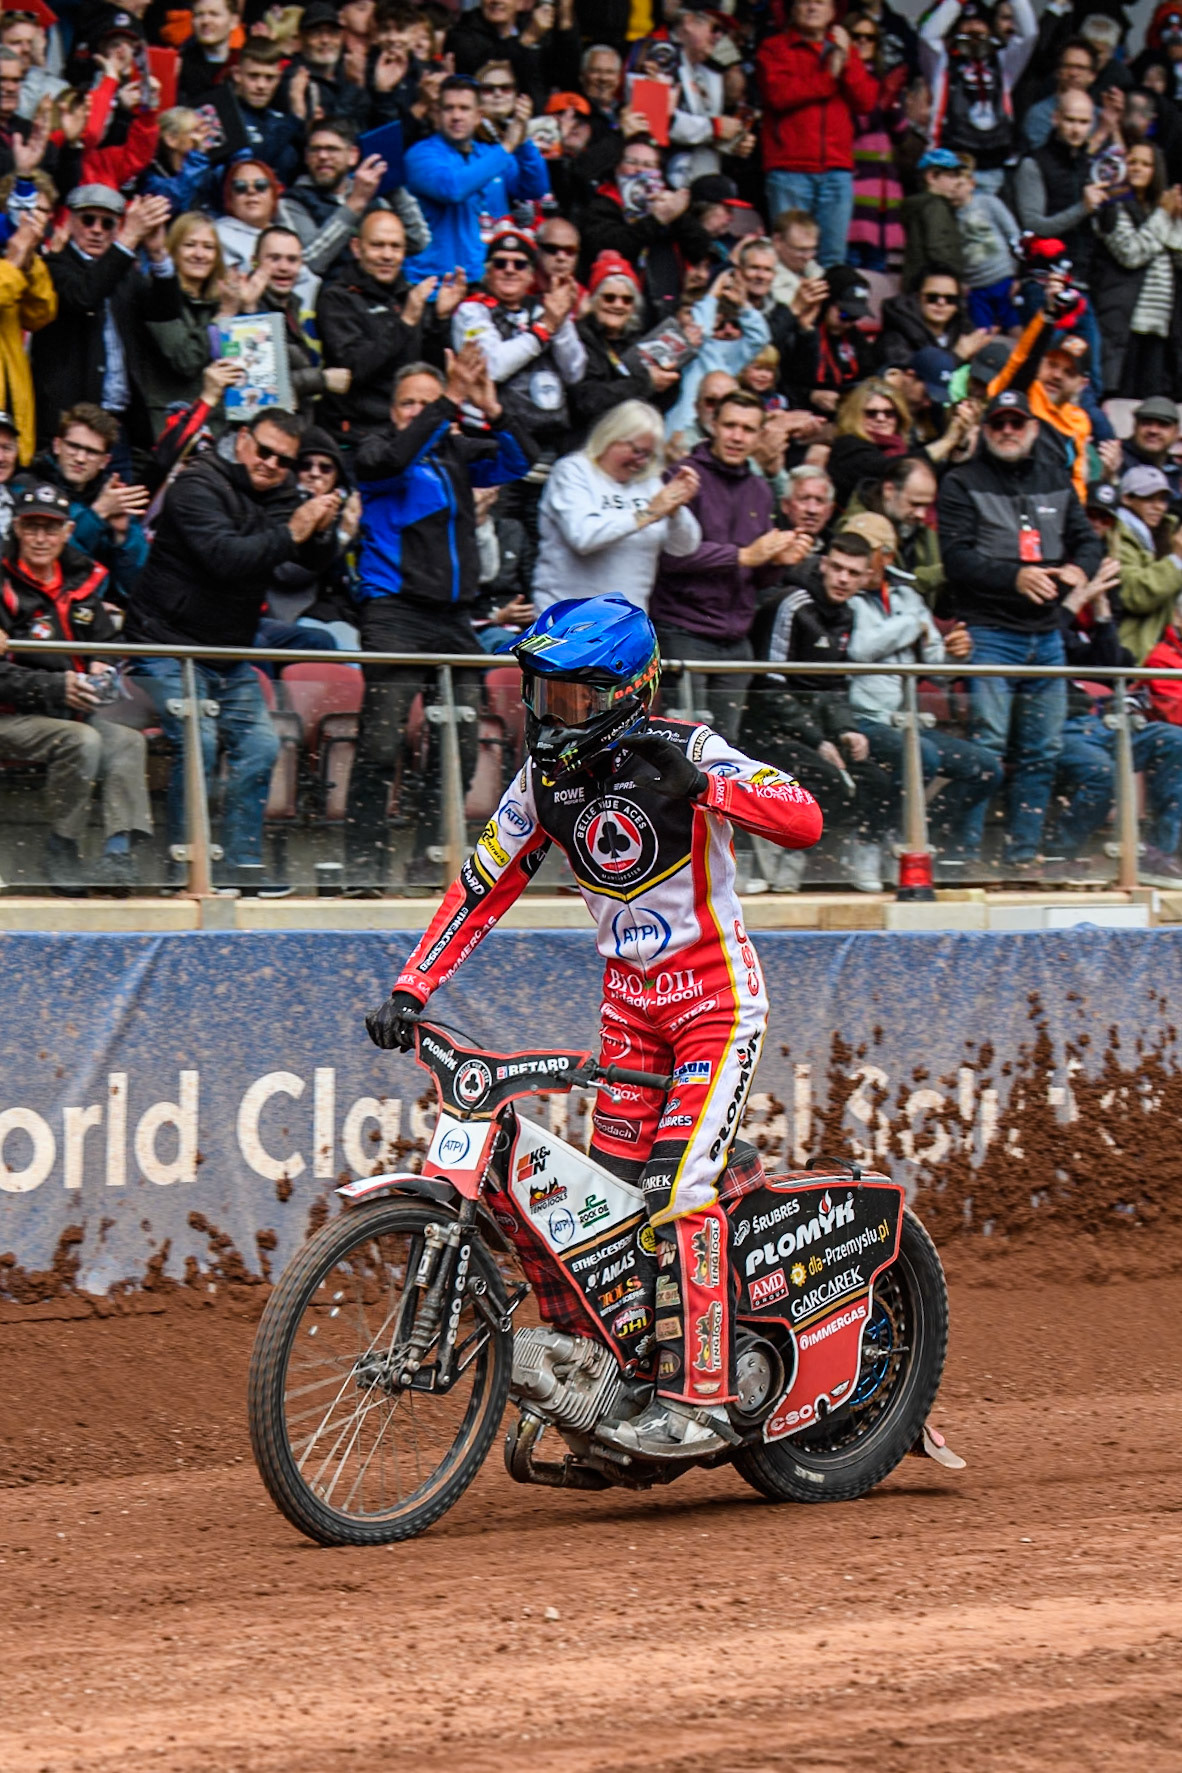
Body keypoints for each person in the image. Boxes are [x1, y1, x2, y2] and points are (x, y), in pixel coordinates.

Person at [365, 592, 823, 1459]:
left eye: (570, 697)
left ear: (625, 693)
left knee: (677, 1190)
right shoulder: (547, 780)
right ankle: (612, 1382)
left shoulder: (686, 747)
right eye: (539, 693)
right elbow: (480, 882)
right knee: (606, 1213)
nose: (548, 714)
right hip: (628, 1011)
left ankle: (703, 1402)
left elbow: (803, 816)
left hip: (714, 1001)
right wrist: (412, 984)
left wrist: (712, 784)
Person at [125, 408, 340, 895]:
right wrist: (295, 530)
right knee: (197, 741)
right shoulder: (196, 484)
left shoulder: (283, 493)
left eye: (283, 460)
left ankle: (240, 865)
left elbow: (306, 560)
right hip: (166, 644)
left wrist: (325, 528)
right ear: (241, 439)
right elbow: (227, 560)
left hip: (226, 650)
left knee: (262, 746)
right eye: (263, 450)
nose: (270, 464)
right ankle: (188, 865)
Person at [345, 347, 534, 892]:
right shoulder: (376, 448)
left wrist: (493, 408)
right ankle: (362, 866)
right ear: (393, 409)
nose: (417, 411)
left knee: (459, 740)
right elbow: (395, 459)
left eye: (427, 402)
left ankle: (429, 859)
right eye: (409, 402)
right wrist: (448, 400)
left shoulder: (455, 452)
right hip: (395, 614)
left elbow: (520, 459)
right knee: (381, 742)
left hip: (453, 619)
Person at [937, 387, 1102, 869]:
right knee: (986, 748)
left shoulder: (1056, 477)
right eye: (998, 423)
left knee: (1043, 750)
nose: (1007, 431)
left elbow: (1087, 540)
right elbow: (956, 558)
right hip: (990, 631)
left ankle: (1022, 856)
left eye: (1017, 423)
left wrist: (1081, 570)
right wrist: (1014, 576)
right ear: (985, 429)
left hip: (1046, 634)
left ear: (1033, 428)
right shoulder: (961, 481)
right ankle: (963, 855)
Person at [0, 482, 152, 894]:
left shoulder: (82, 580)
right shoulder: (2, 584)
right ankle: (62, 848)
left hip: (71, 713)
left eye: (50, 529)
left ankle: (116, 856)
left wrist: (106, 666)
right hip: (11, 718)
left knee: (127, 741)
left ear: (68, 532)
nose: (40, 538)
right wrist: (55, 687)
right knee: (81, 739)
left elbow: (110, 645)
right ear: (16, 528)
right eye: (31, 527)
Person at [843, 509, 1002, 863]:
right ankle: (875, 837)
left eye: (867, 551)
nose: (857, 561)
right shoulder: (843, 593)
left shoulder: (906, 596)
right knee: (923, 757)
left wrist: (955, 653)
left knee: (986, 767)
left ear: (885, 555)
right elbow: (860, 649)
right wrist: (912, 626)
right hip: (860, 717)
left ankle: (922, 830)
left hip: (905, 720)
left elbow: (937, 669)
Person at [745, 530, 900, 891]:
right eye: (839, 568)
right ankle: (784, 857)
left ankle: (863, 855)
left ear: (865, 578)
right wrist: (816, 740)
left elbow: (834, 686)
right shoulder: (792, 604)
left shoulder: (845, 614)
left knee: (877, 778)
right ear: (825, 565)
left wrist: (847, 729)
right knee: (825, 778)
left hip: (817, 729)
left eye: (854, 573)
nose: (844, 579)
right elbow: (769, 685)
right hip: (768, 731)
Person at [650, 392, 802, 743]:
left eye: (748, 429)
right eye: (730, 425)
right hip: (684, 630)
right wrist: (742, 556)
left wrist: (777, 562)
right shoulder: (683, 477)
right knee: (682, 745)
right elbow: (669, 556)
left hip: (736, 639)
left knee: (724, 750)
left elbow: (757, 572)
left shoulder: (761, 490)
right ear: (712, 426)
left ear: (760, 435)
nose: (737, 436)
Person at [30, 186, 176, 456]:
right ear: (70, 222)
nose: (97, 230)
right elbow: (84, 296)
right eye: (88, 220)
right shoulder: (53, 265)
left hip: (118, 421)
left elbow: (164, 310)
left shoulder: (124, 271)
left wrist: (157, 254)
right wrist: (128, 238)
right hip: (69, 425)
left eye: (108, 223)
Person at [533, 400, 701, 613]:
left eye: (649, 455)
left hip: (626, 626)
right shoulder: (573, 471)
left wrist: (676, 507)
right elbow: (584, 538)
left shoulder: (647, 482)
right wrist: (649, 513)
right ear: (611, 437)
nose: (640, 462)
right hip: (566, 620)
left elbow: (684, 548)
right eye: (637, 451)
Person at [316, 209, 467, 442]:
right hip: (358, 434)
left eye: (395, 247)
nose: (387, 255)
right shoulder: (337, 298)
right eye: (378, 245)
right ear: (357, 248)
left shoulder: (409, 296)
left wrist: (440, 318)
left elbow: (431, 368)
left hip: (409, 427)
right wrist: (405, 323)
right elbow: (353, 369)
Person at [756, 0, 879, 268]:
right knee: (788, 259)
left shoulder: (844, 50)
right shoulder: (774, 48)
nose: (812, 7)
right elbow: (779, 96)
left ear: (833, 11)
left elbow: (866, 101)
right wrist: (828, 77)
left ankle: (827, 311)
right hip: (789, 169)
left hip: (837, 169)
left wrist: (847, 58)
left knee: (833, 260)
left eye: (821, 1)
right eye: (804, 1)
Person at [451, 223, 585, 468]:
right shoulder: (471, 311)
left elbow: (575, 370)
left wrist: (561, 322)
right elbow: (492, 367)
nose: (510, 270)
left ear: (531, 274)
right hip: (493, 441)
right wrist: (543, 330)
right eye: (501, 263)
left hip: (547, 440)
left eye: (519, 264)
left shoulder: (547, 310)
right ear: (488, 272)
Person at [402, 73, 549, 284]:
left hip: (486, 282)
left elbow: (535, 187)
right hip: (434, 285)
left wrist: (523, 139)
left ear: (479, 115)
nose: (456, 116)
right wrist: (507, 145)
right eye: (448, 108)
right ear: (436, 114)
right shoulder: (420, 155)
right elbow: (453, 189)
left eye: (464, 108)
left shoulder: (490, 154)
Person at [31, 402, 148, 604]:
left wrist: (123, 536)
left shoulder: (112, 497)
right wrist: (97, 514)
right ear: (57, 445)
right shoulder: (29, 488)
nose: (80, 458)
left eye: (92, 452)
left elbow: (137, 585)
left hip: (98, 616)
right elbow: (48, 564)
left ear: (105, 461)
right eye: (73, 446)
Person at [1090, 145, 1182, 398]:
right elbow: (1130, 253)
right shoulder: (1112, 205)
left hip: (1160, 322)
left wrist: (1177, 218)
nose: (1137, 168)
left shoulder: (1159, 206)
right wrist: (1164, 215)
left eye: (1145, 164)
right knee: (1120, 396)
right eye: (1132, 162)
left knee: (1151, 398)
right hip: (1125, 320)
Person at [134, 209, 225, 441]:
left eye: (208, 247)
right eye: (190, 245)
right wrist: (225, 315)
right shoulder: (158, 297)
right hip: (170, 422)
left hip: (216, 423)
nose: (199, 254)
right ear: (173, 250)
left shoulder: (219, 301)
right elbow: (186, 360)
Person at [277, 118, 403, 281]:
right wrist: (355, 203)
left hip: (378, 296)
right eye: (315, 150)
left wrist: (394, 184)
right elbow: (309, 263)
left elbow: (418, 242)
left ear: (352, 156)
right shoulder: (291, 202)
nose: (322, 156)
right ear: (306, 157)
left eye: (332, 149)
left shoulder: (374, 199)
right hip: (329, 300)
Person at [0, 186, 53, 464]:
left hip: (11, 436)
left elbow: (40, 313)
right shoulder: (7, 268)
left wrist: (28, 259)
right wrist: (14, 260)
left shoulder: (9, 267)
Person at [1113, 464, 1182, 660]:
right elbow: (1136, 595)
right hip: (1136, 651)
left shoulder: (1168, 531)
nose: (1158, 506)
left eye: (1162, 499)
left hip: (1168, 650)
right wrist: (1177, 559)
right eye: (1149, 499)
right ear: (1127, 498)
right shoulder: (1117, 536)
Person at [827, 377, 911, 507]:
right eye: (871, 413)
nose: (881, 419)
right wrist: (944, 443)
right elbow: (883, 468)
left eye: (889, 413)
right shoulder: (847, 446)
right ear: (856, 416)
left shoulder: (904, 448)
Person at [900, 146, 966, 287]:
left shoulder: (919, 205)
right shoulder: (936, 206)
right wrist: (955, 278)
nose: (958, 181)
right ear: (931, 177)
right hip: (937, 284)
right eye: (952, 176)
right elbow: (939, 248)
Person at [1122, 396, 1182, 503]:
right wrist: (1108, 476)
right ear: (1135, 426)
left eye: (1163, 425)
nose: (1153, 430)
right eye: (1146, 423)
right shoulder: (1116, 458)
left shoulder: (1175, 470)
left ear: (1176, 433)